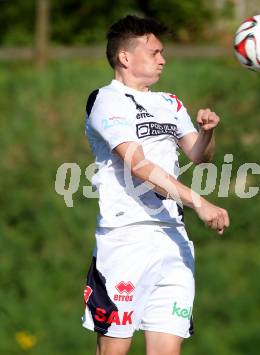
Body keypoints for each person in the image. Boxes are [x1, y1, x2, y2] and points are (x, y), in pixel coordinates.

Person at [81, 15, 229, 355]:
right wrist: (199, 202)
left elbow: (198, 155)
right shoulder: (106, 100)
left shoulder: (170, 102)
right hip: (125, 239)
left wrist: (207, 131)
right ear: (125, 57)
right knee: (115, 348)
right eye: (154, 53)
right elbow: (139, 165)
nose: (163, 59)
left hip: (172, 238)